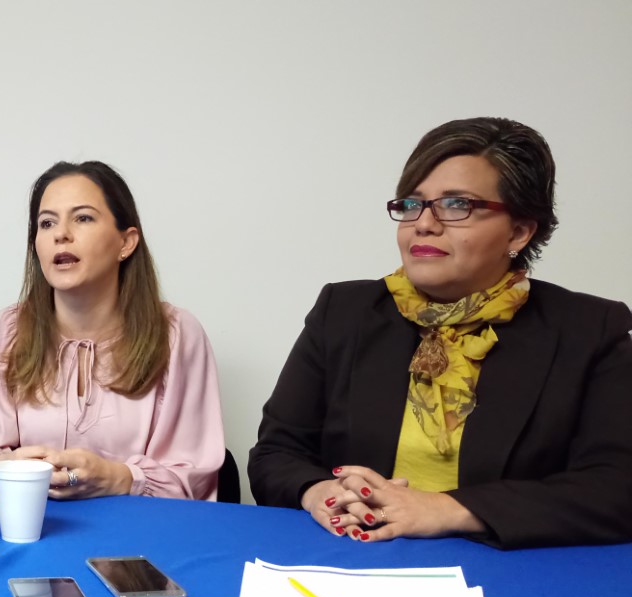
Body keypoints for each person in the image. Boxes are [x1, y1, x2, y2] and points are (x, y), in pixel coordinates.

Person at [249, 117, 632, 549]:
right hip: (354, 551)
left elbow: (616, 489)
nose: (424, 224)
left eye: (456, 204)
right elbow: (276, 453)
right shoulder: (344, 311)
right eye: (412, 204)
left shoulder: (588, 330)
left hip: (505, 567)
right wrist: (320, 493)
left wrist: (447, 509)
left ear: (520, 231)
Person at [0, 161, 225, 500]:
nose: (60, 234)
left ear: (126, 242)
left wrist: (119, 478)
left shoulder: (177, 335)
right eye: (47, 223)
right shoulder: (9, 329)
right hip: (33, 522)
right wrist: (0, 467)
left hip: (137, 528)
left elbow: (193, 479)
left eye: (82, 218)